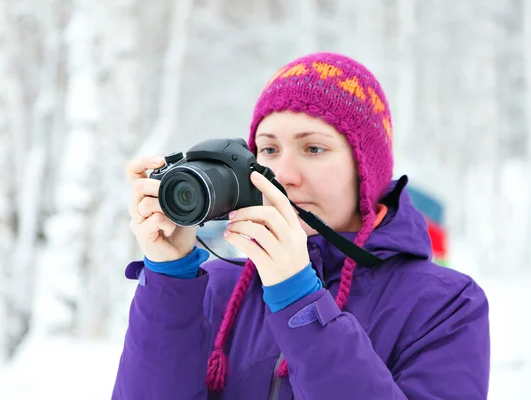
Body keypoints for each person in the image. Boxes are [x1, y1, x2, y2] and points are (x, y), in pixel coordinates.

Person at [112, 52, 490, 399]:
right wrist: (169, 278)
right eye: (269, 150)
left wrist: (300, 302)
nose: (282, 175)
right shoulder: (215, 287)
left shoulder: (447, 305)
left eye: (313, 149)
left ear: (366, 172)